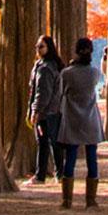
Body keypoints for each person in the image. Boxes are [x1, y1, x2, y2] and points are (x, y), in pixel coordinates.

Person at [57, 37, 104, 209]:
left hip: (72, 119)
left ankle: (66, 200)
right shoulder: (94, 73)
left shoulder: (67, 73)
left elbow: (61, 92)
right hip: (90, 120)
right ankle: (90, 200)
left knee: (70, 158)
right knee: (92, 158)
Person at [26, 34, 65, 185]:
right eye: (37, 46)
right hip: (52, 111)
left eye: (41, 46)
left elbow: (43, 93)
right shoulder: (42, 65)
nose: (38, 49)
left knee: (45, 142)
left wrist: (36, 111)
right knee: (52, 143)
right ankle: (58, 174)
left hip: (46, 113)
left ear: (49, 48)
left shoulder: (46, 68)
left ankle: (42, 175)